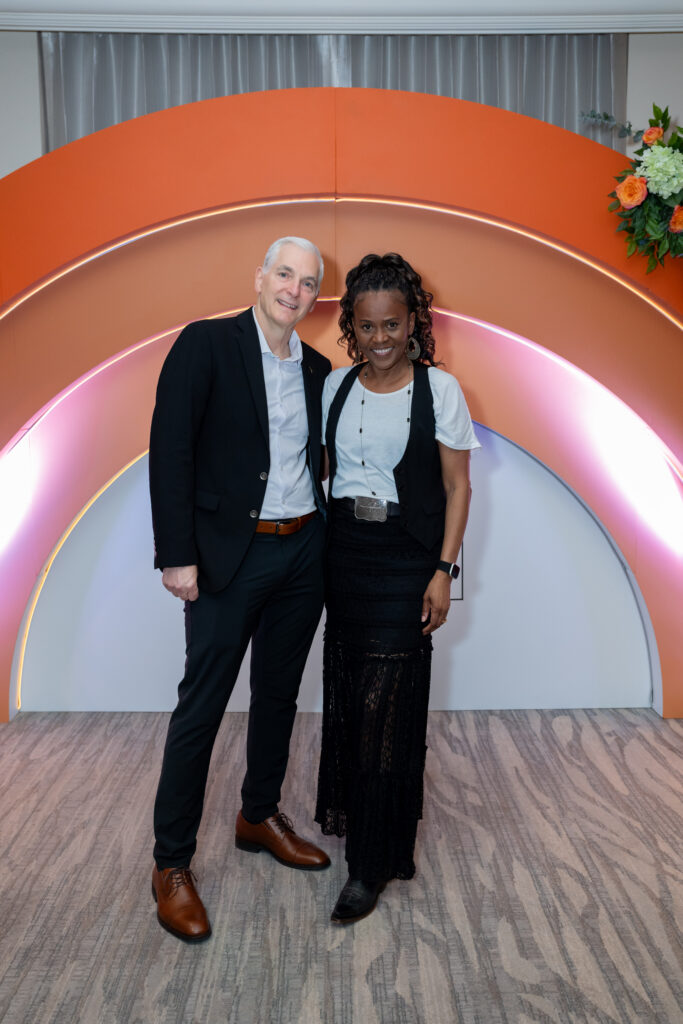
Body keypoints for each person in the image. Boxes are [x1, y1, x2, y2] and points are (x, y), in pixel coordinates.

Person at [149, 236, 332, 943]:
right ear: (259, 277)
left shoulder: (316, 367)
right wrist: (176, 556)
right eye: (284, 273)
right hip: (228, 560)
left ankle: (258, 814)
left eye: (308, 282)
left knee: (280, 695)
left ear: (317, 296)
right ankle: (171, 865)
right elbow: (172, 449)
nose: (294, 288)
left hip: (301, 552)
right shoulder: (205, 345)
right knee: (201, 708)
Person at [315, 252, 480, 924]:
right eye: (366, 326)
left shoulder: (440, 391)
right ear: (351, 326)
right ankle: (361, 827)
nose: (380, 338)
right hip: (344, 557)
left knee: (388, 705)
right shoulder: (334, 388)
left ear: (412, 321)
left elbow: (456, 487)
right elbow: (322, 472)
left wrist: (443, 572)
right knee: (352, 696)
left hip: (406, 558)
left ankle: (370, 865)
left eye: (391, 324)